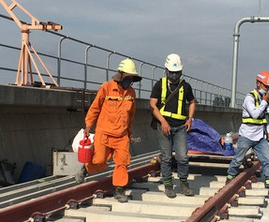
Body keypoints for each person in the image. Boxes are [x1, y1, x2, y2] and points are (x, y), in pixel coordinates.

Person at [76, 58, 140, 203]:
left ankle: (119, 190)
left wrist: (129, 133)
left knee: (122, 163)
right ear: (121, 75)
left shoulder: (131, 93)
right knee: (99, 161)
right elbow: (95, 108)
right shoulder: (106, 88)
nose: (130, 81)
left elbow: (131, 115)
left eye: (132, 79)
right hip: (104, 133)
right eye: (128, 78)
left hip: (122, 136)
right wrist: (88, 126)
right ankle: (86, 169)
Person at [226, 71, 269, 196]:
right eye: (265, 86)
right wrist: (264, 102)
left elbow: (265, 117)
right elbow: (255, 114)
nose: (267, 89)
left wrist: (267, 131)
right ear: (258, 83)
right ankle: (230, 178)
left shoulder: (264, 99)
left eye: (268, 87)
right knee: (238, 159)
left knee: (267, 160)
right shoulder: (249, 98)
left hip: (259, 137)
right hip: (247, 135)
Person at [150, 53, 196, 198]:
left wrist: (190, 119)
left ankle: (183, 183)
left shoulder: (185, 86)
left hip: (181, 126)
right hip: (164, 126)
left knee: (182, 157)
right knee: (166, 157)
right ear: (166, 70)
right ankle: (168, 185)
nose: (175, 75)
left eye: (177, 73)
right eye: (172, 72)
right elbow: (152, 104)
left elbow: (192, 102)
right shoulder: (160, 85)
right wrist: (163, 122)